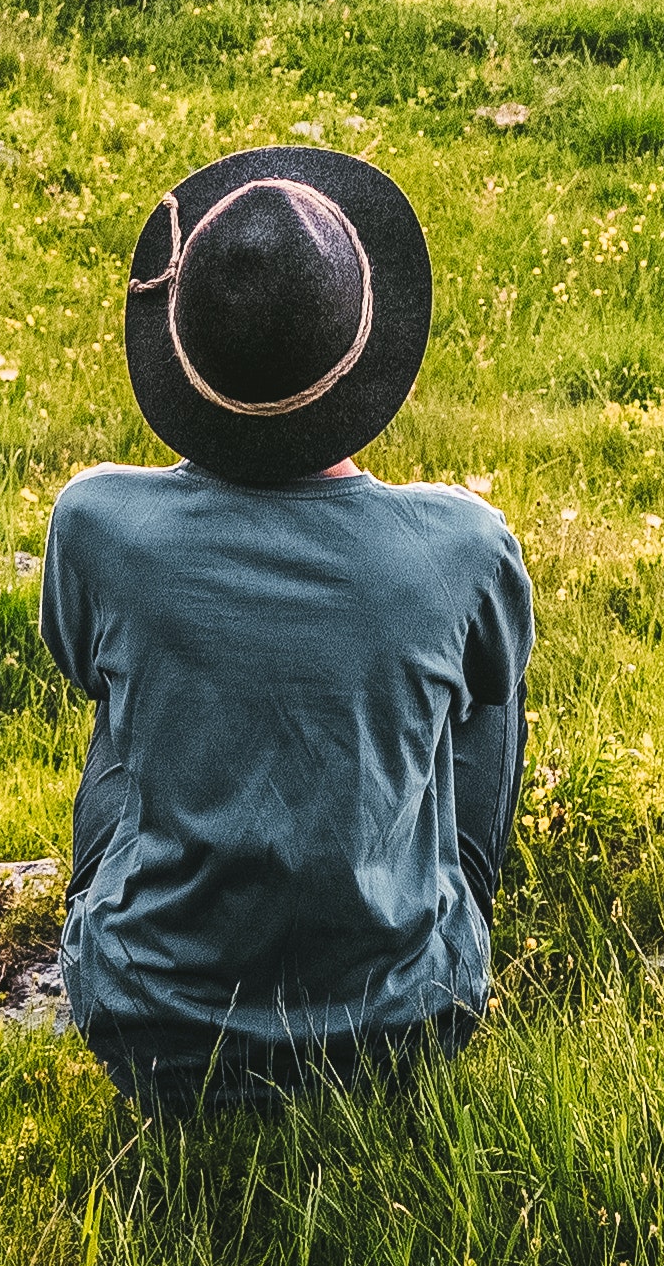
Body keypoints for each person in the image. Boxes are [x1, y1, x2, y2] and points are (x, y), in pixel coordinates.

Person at [37, 142, 530, 1111]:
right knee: (490, 690)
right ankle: (439, 915)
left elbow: (84, 673)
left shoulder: (96, 519)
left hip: (149, 1028)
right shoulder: (465, 542)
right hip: (402, 1031)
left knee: (129, 705)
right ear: (366, 339)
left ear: (183, 344)